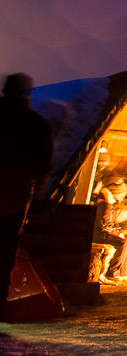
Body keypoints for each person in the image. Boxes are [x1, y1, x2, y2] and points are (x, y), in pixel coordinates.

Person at [0, 73, 54, 312]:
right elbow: (43, 167)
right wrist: (36, 195)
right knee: (4, 252)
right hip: (16, 193)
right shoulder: (36, 124)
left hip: (16, 190)